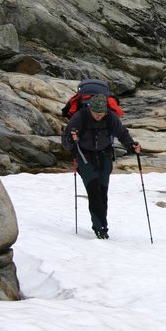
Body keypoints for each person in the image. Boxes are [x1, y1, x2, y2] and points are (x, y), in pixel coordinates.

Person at [62, 94, 141, 239]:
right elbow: (66, 141)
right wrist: (70, 139)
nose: (99, 117)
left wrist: (131, 145)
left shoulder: (110, 117)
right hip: (84, 156)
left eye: (101, 114)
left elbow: (122, 133)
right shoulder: (80, 117)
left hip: (104, 155)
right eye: (96, 114)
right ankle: (100, 228)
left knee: (102, 191)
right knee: (94, 190)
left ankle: (101, 225)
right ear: (90, 109)